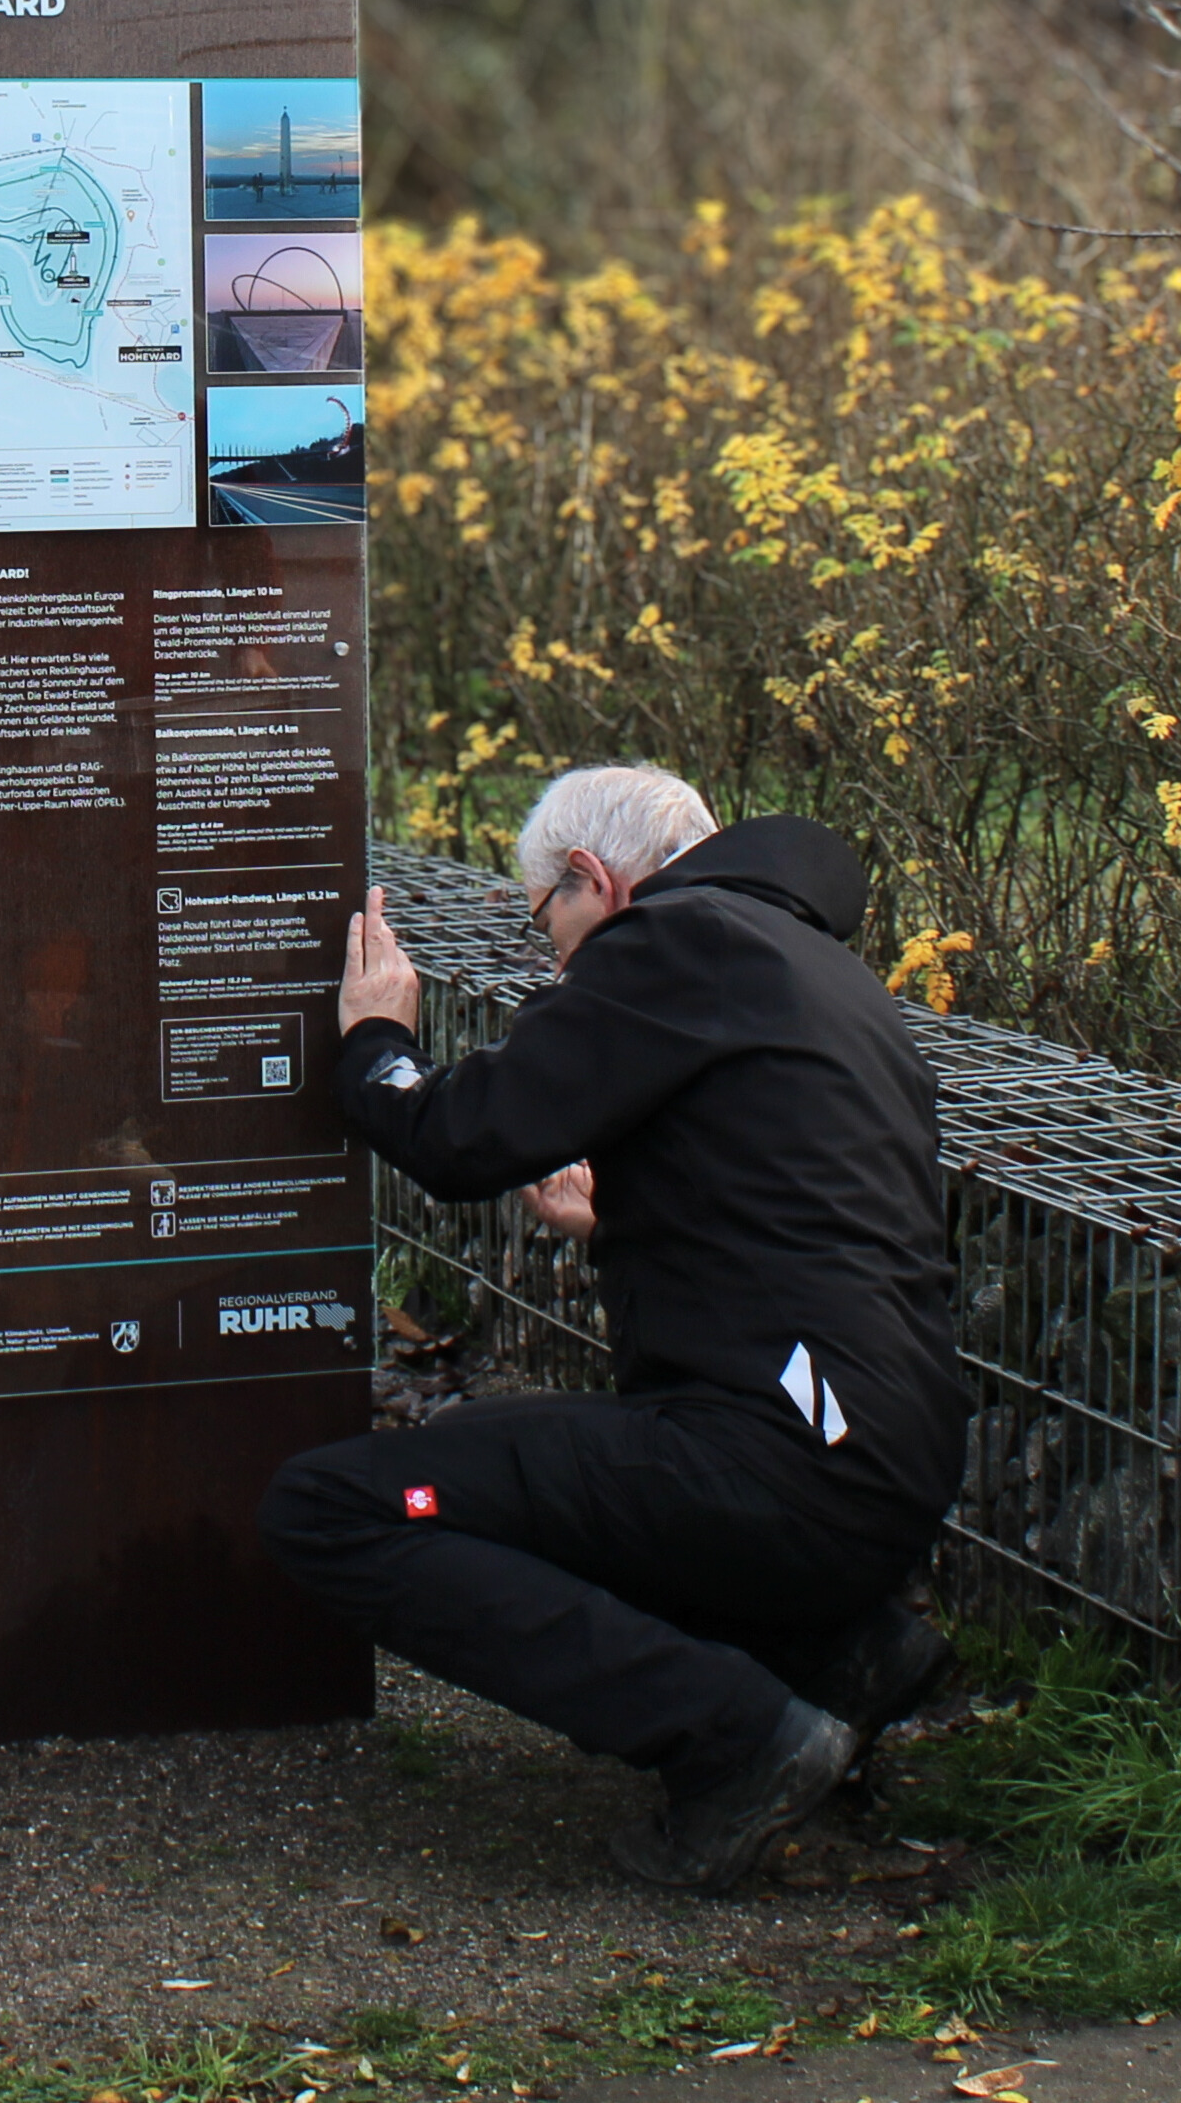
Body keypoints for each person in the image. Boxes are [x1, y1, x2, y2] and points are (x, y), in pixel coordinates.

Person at [266, 763, 965, 1892]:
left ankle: (735, 1735)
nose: (555, 958)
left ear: (593, 878)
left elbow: (461, 1138)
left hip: (776, 1469)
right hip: (877, 1461)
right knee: (579, 1476)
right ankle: (837, 1651)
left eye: (550, 922)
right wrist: (624, 1217)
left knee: (334, 1509)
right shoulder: (815, 967)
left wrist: (376, 1045)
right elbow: (803, 1213)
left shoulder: (673, 942)